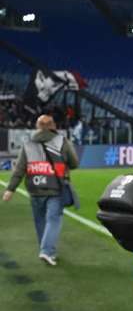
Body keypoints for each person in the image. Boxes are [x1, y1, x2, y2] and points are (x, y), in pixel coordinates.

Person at [2, 114, 79, 266]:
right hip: (55, 187)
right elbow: (74, 163)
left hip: (35, 188)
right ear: (53, 126)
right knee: (53, 219)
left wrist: (10, 189)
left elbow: (20, 169)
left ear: (37, 127)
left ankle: (45, 249)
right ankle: (47, 250)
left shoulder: (28, 144)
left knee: (40, 220)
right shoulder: (62, 141)